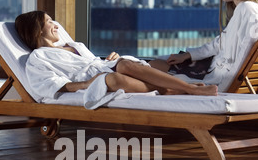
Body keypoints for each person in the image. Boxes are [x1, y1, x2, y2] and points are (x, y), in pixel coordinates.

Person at [15, 11, 217, 103]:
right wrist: (86, 84)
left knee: (134, 64)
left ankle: (184, 89)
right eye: (49, 21)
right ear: (37, 31)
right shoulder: (38, 58)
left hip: (103, 67)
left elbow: (93, 62)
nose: (56, 24)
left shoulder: (72, 45)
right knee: (115, 78)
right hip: (95, 78)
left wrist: (110, 60)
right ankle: (178, 89)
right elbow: (50, 85)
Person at [153, 0, 258, 93]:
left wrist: (223, 90)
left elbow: (243, 56)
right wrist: (187, 55)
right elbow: (218, 44)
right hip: (210, 67)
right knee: (154, 65)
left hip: (214, 76)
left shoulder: (247, 9)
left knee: (152, 67)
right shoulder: (243, 10)